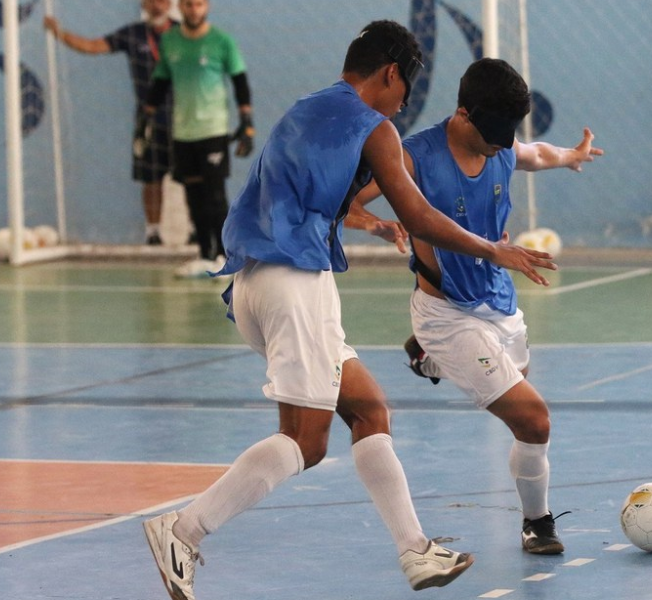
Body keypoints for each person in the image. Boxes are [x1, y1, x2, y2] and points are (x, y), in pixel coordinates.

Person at [141, 20, 557, 600]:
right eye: (406, 88)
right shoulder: (377, 128)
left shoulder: (307, 108)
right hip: (296, 282)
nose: (406, 101)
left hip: (252, 281)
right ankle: (182, 530)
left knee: (368, 409)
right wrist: (493, 249)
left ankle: (416, 552)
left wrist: (358, 218)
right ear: (390, 75)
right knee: (306, 442)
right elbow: (419, 215)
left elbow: (314, 194)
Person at [352, 57, 602, 556]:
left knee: (526, 414)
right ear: (463, 113)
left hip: (500, 304)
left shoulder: (502, 147)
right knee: (534, 419)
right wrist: (376, 224)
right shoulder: (413, 156)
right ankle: (538, 522)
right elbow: (352, 200)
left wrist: (570, 155)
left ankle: (429, 360)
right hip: (447, 313)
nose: (501, 143)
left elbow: (535, 153)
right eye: (493, 131)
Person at [44, 0, 177, 246]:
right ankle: (153, 232)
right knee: (151, 177)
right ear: (144, 4)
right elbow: (93, 46)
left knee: (192, 177)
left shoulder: (183, 33)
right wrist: (59, 34)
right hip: (148, 117)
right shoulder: (133, 34)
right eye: (152, 0)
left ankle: (197, 232)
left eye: (163, 0)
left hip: (184, 117)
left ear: (170, 4)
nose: (157, 5)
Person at [144, 0, 255, 276]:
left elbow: (239, 81)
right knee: (193, 195)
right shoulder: (169, 41)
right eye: (188, 5)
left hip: (213, 131)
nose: (194, 10)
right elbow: (160, 82)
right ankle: (205, 255)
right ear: (180, 8)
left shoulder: (221, 41)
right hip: (183, 132)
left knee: (214, 195)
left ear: (206, 7)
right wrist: (143, 119)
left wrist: (247, 123)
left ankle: (224, 255)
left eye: (198, 4)